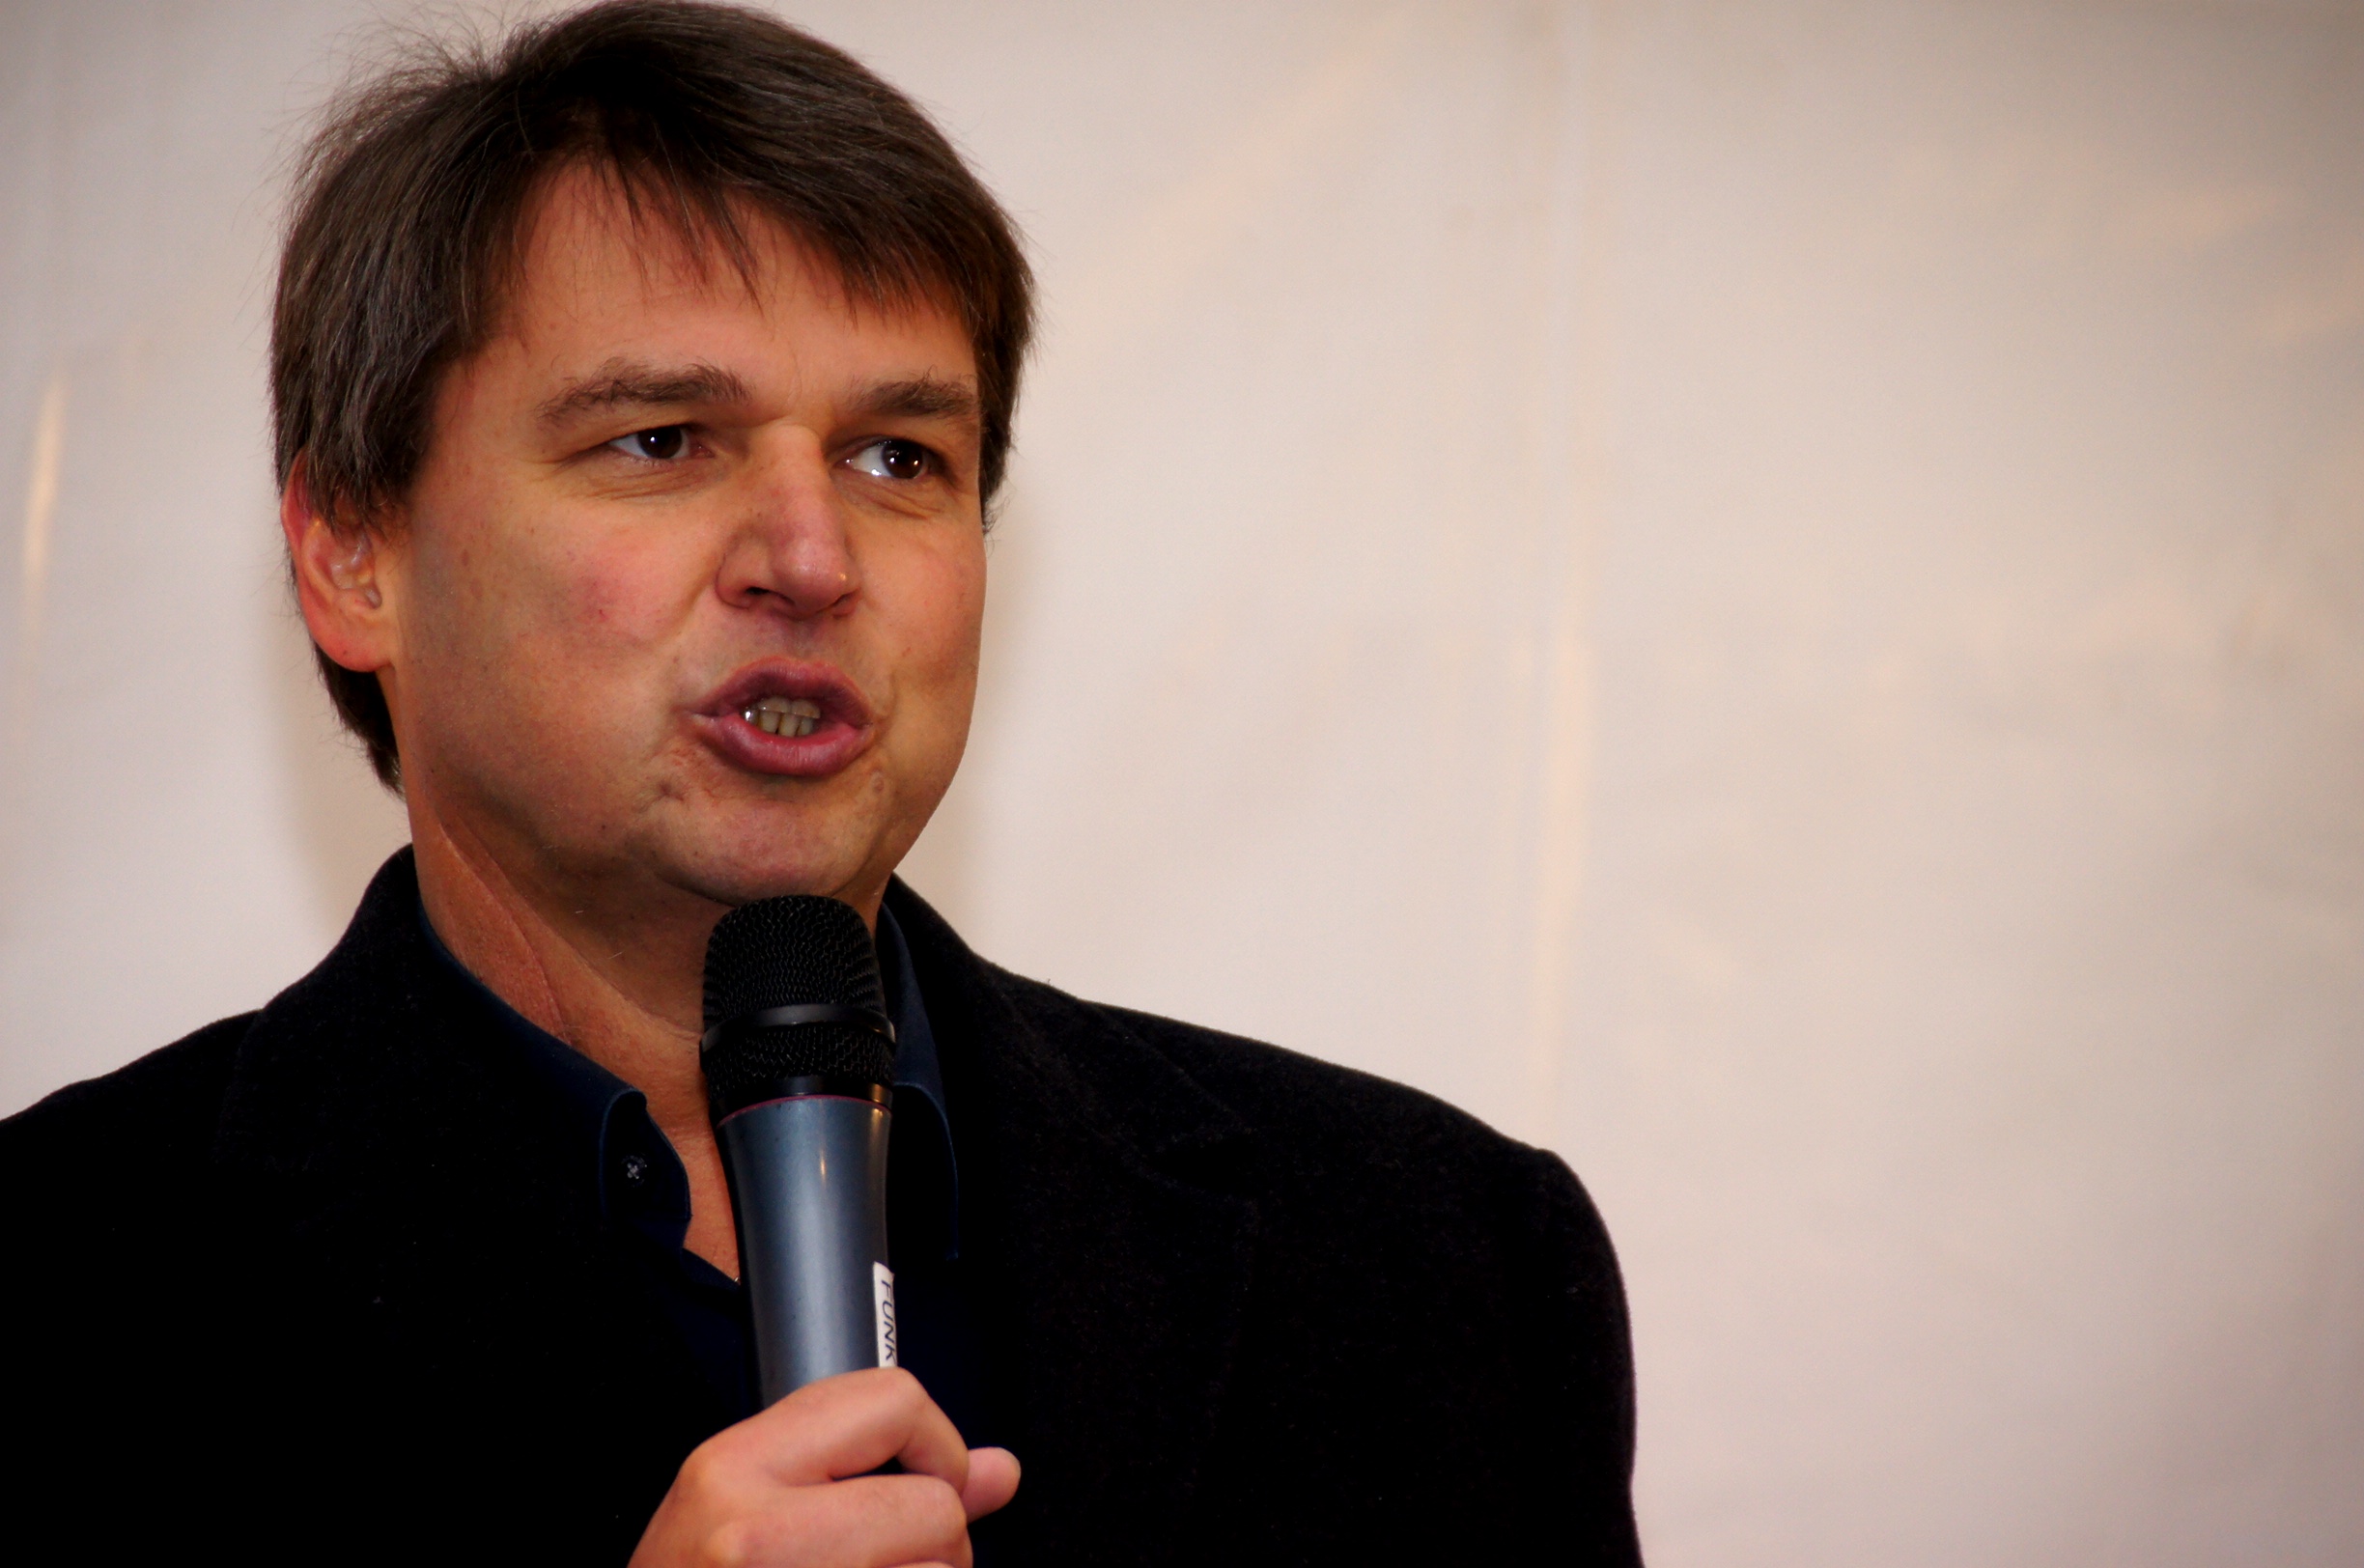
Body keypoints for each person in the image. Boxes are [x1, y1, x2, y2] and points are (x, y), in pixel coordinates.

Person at [0, 4, 1642, 1563]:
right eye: (661, 439)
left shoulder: (1442, 1262)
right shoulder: (62, 1287)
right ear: (351, 552)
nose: (809, 556)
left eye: (895, 458)